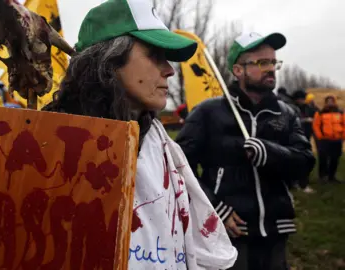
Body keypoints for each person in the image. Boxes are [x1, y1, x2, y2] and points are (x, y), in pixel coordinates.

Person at [44, 0, 237, 268]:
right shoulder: (50, 143)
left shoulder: (160, 142)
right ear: (109, 58)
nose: (169, 69)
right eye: (155, 54)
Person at [176, 32, 315, 270]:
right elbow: (179, 168)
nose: (271, 69)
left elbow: (305, 163)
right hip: (229, 231)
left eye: (273, 62)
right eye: (262, 63)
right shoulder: (207, 112)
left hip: (276, 229)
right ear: (238, 70)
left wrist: (269, 152)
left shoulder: (286, 113)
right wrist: (215, 209)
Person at [313, 95, 344, 183]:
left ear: (334, 102)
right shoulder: (320, 112)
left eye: (332, 101)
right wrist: (320, 136)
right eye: (328, 101)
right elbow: (316, 125)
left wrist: (343, 136)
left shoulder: (340, 112)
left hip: (337, 140)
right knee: (323, 158)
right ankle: (322, 177)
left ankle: (332, 176)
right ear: (325, 103)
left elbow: (344, 124)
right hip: (324, 140)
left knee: (335, 159)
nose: (330, 102)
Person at [291, 89, 317, 193]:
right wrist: (305, 120)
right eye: (301, 99)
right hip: (294, 138)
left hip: (305, 137)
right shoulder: (291, 108)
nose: (303, 101)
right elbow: (292, 121)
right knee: (296, 161)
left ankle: (303, 183)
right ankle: (298, 183)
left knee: (306, 160)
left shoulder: (307, 108)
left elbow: (316, 113)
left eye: (303, 99)